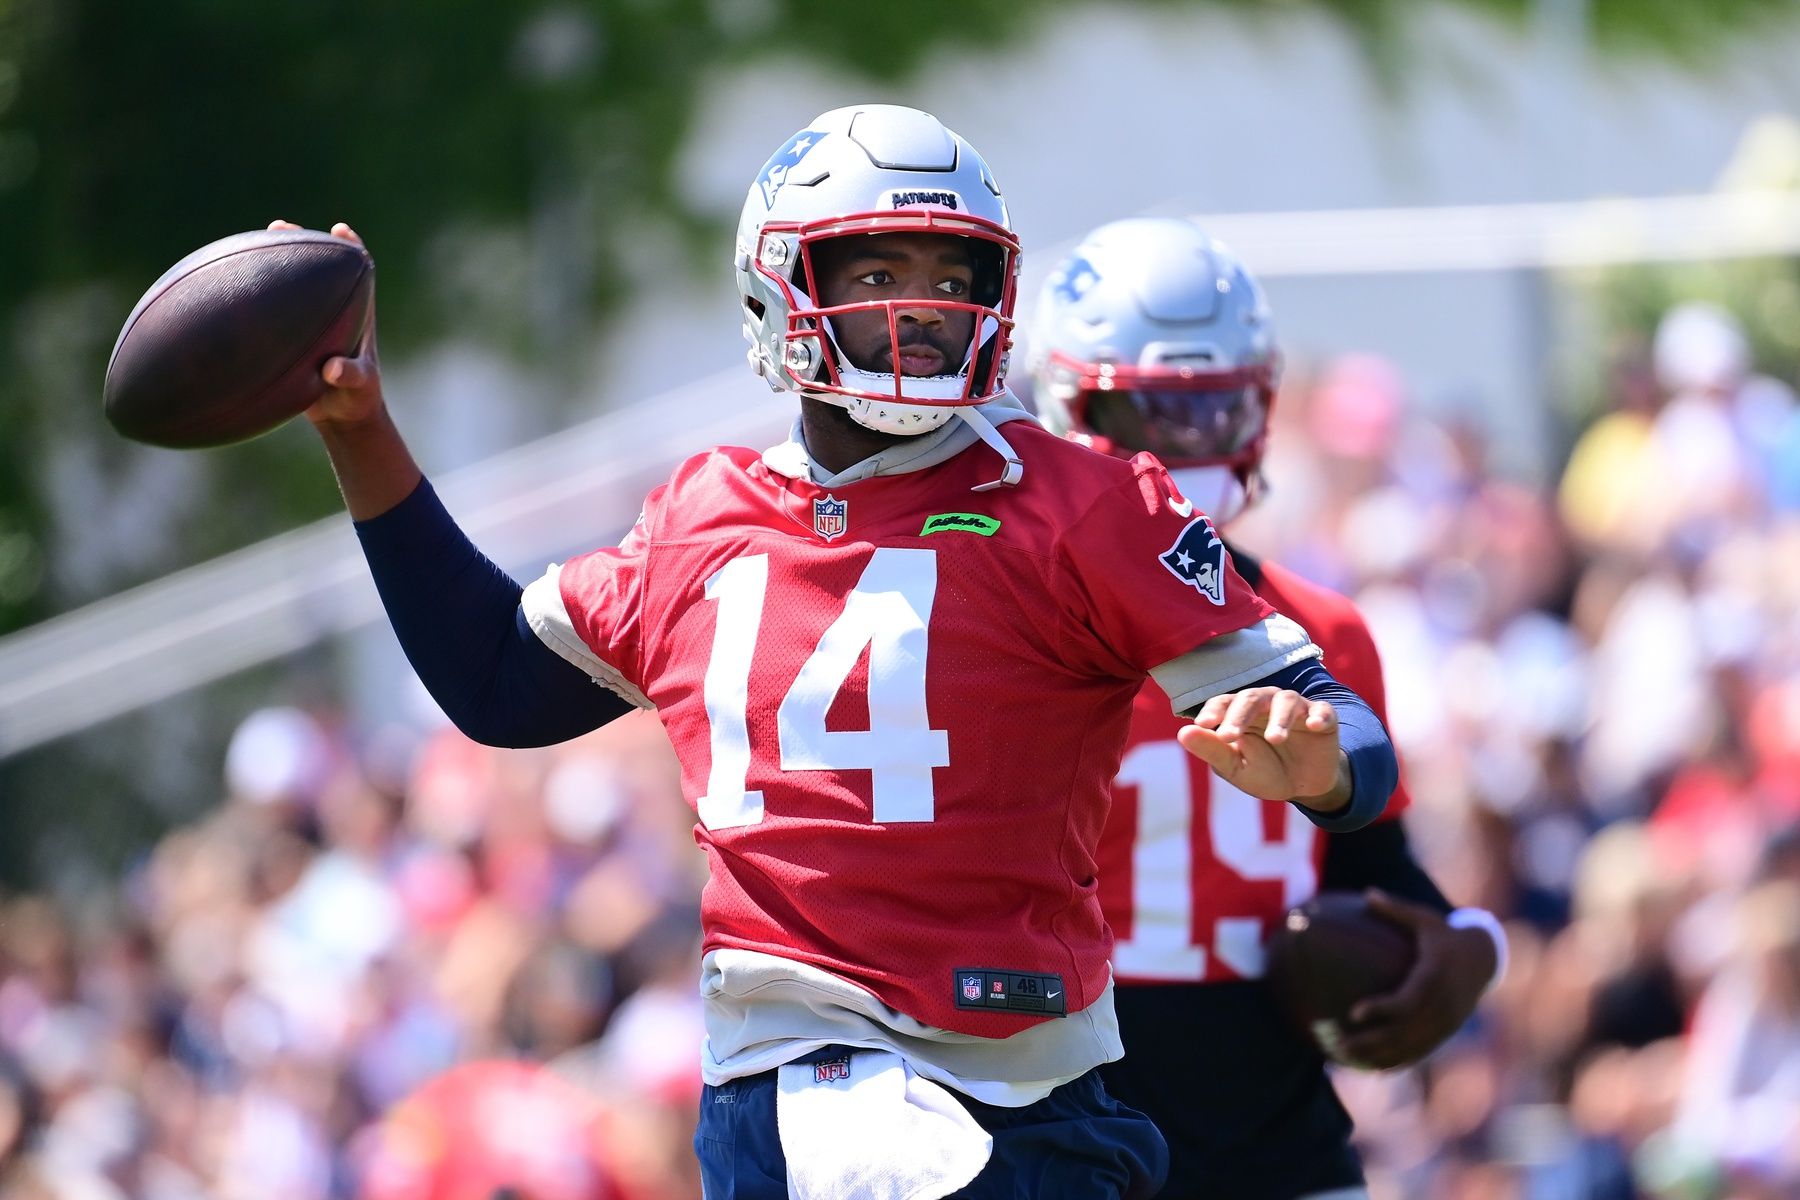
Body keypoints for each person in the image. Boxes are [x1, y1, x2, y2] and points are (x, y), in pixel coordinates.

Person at [278, 105, 1399, 1200]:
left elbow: (1344, 730)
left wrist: (1322, 761)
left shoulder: (1084, 504)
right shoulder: (701, 518)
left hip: (1038, 1081)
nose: (918, 308)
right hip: (802, 1086)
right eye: (875, 275)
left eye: (950, 278)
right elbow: (495, 681)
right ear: (782, 284)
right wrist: (359, 430)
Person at [1028, 216, 1507, 1200]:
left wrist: (1466, 946)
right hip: (1069, 1127)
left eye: (1209, 413)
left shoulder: (1318, 630)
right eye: (1148, 415)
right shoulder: (1018, 635)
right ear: (1070, 411)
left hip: (1274, 1131)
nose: (1179, 448)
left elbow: (1375, 868)